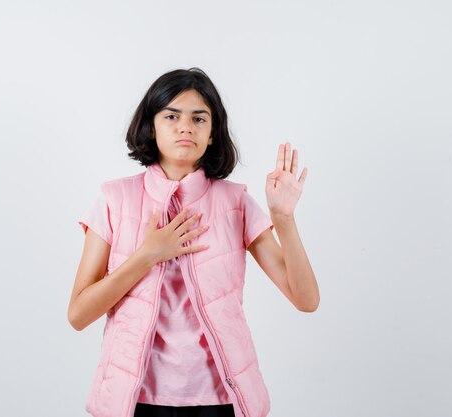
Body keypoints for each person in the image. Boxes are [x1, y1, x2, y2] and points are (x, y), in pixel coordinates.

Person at [68, 67, 319, 417]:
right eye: (172, 115)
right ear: (150, 127)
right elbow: (79, 315)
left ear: (213, 133)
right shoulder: (115, 199)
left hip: (220, 400)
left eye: (199, 118)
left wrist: (284, 220)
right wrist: (148, 255)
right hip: (135, 400)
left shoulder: (236, 202)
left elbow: (305, 300)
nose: (186, 126)